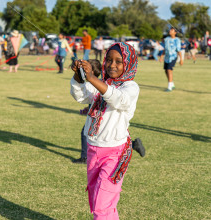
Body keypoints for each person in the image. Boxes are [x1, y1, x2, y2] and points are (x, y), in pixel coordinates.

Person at [71, 42, 139, 219]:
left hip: (114, 153)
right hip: (94, 148)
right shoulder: (102, 83)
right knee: (96, 201)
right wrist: (79, 77)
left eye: (118, 61)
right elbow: (82, 96)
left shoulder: (130, 87)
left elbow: (118, 99)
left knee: (103, 204)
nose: (112, 65)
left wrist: (93, 78)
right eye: (108, 60)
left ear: (129, 64)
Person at [160, 27, 183, 92]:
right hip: (166, 57)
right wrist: (161, 56)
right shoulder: (166, 39)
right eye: (170, 30)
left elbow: (179, 50)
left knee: (169, 70)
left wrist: (181, 59)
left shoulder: (177, 40)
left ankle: (169, 87)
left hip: (173, 57)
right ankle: (172, 83)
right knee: (166, 70)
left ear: (175, 32)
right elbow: (165, 49)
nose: (170, 31)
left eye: (172, 30)